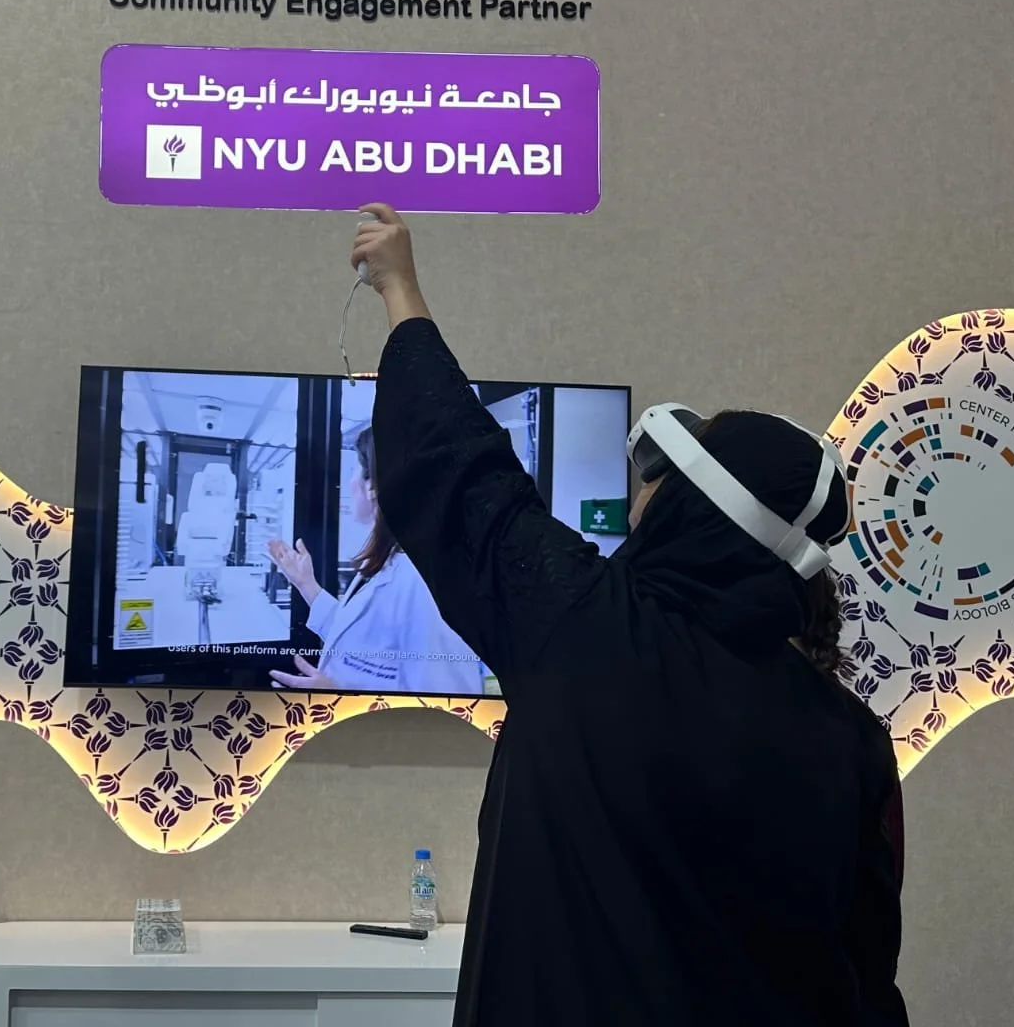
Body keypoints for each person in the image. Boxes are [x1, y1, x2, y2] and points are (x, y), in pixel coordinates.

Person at [350, 203, 908, 1026]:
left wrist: (400, 289)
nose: (640, 492)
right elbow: (866, 967)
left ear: (692, 509)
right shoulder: (851, 738)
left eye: (659, 478)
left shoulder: (586, 626)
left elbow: (456, 468)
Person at [266, 427, 485, 696]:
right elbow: (359, 638)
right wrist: (306, 584)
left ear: (372, 486)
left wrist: (338, 697)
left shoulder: (424, 585)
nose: (349, 483)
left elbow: (450, 706)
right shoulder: (390, 562)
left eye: (353, 470)